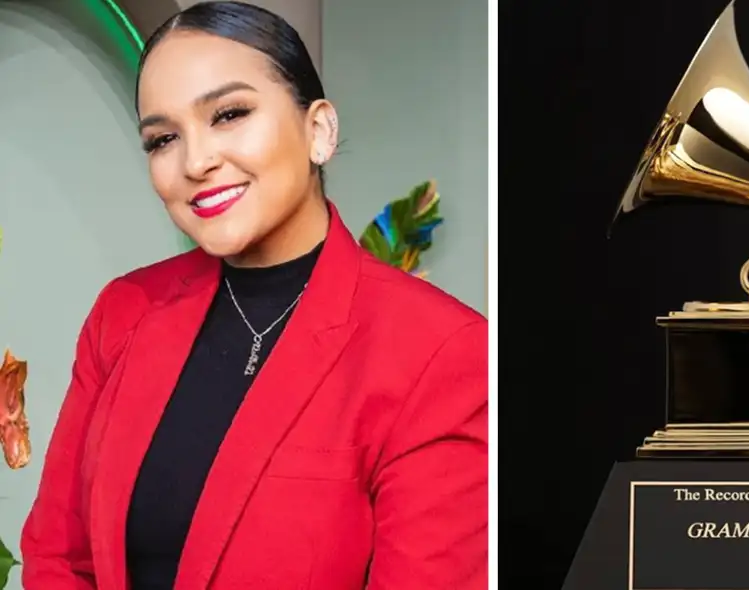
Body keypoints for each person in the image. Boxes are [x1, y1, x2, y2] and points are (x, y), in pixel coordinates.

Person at [18, 2, 488, 589]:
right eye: (163, 139)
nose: (196, 161)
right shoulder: (126, 311)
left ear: (319, 130)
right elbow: (58, 557)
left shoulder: (440, 351)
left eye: (229, 113)